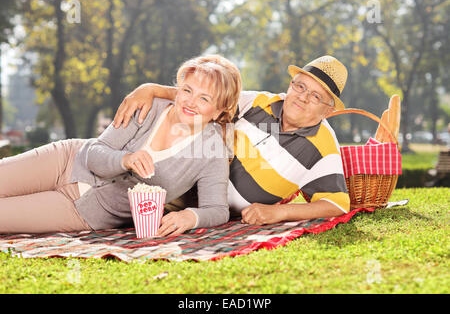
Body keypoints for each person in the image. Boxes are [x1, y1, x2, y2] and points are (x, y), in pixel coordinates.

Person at [0, 54, 242, 236]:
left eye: (204, 98)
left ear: (220, 110)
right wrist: (124, 159)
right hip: (65, 160)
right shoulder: (149, 106)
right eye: (187, 90)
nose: (190, 102)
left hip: (82, 212)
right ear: (176, 91)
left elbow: (217, 209)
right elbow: (94, 153)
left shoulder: (213, 152)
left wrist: (191, 217)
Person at [113, 55, 351, 225]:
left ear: (328, 110)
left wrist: (278, 213)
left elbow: (338, 205)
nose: (303, 97)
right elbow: (206, 99)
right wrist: (152, 89)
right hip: (174, 179)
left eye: (316, 96)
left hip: (207, 211)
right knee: (108, 185)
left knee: (116, 206)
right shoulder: (258, 103)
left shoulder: (323, 146)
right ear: (290, 85)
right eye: (300, 86)